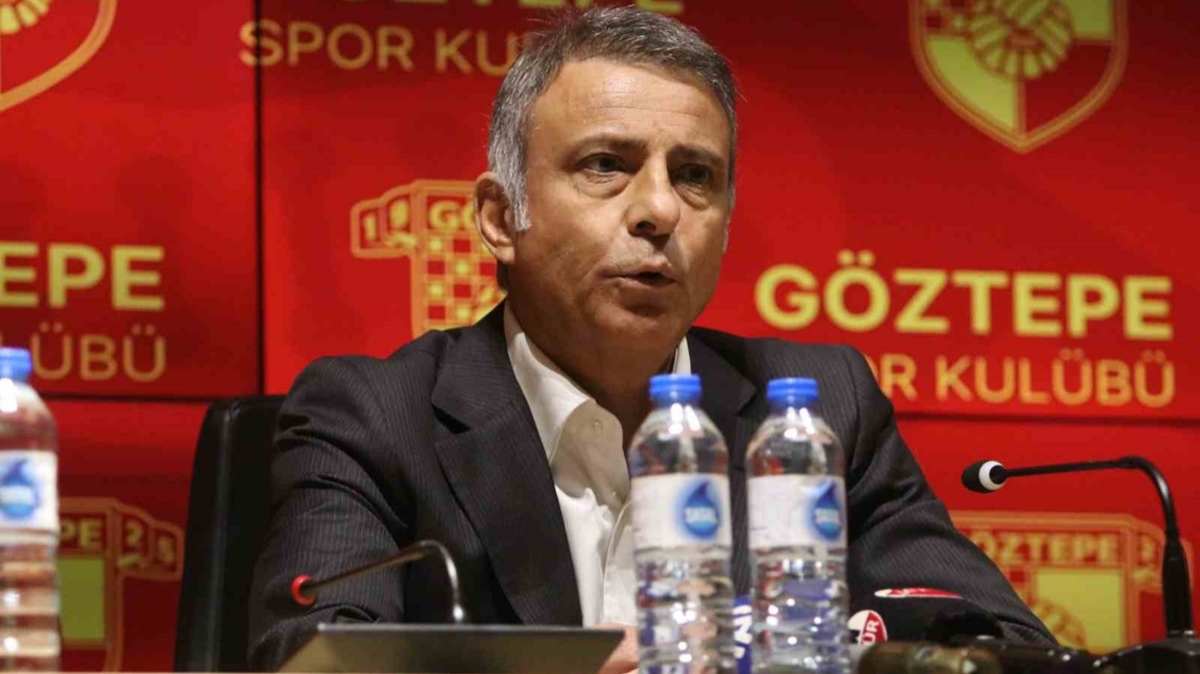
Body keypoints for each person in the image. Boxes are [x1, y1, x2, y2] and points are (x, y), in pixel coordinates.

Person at [247, 6, 1052, 671]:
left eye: (695, 176)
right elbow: (314, 659)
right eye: (606, 164)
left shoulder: (817, 410)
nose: (661, 210)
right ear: (500, 218)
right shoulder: (377, 416)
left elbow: (1004, 648)